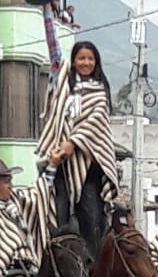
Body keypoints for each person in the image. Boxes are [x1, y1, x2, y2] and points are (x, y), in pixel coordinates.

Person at [37, 41, 119, 263]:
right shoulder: (64, 84)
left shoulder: (100, 92)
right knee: (58, 219)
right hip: (61, 166)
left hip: (89, 167)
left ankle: (92, 268)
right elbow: (53, 48)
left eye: (90, 58)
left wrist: (73, 142)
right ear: (73, 61)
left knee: (91, 221)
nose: (86, 63)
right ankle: (60, 264)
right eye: (81, 58)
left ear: (97, 62)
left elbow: (95, 123)